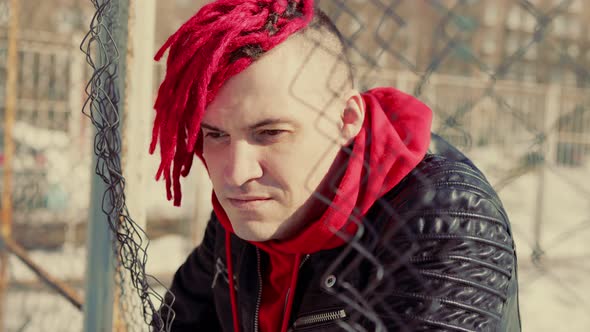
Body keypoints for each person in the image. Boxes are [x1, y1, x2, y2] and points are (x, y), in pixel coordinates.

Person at [149, 0, 521, 331]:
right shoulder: (246, 210)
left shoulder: (443, 214)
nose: (234, 173)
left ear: (347, 119)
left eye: (270, 133)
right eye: (215, 135)